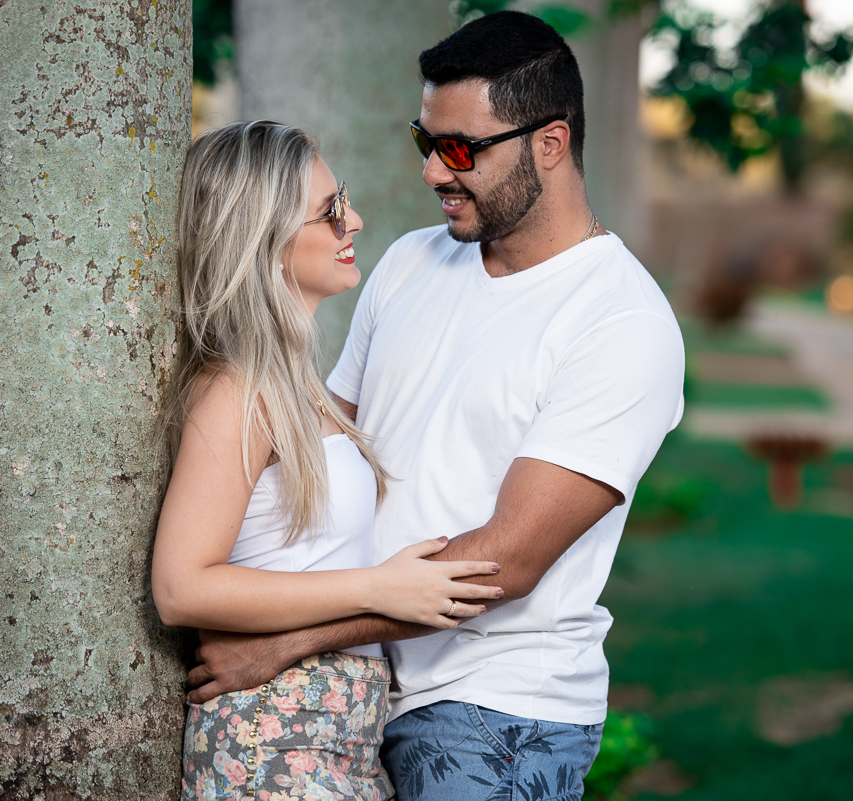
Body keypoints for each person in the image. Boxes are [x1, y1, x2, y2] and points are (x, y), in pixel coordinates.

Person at [186, 12, 686, 800]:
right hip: (357, 697)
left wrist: (290, 640)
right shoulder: (410, 262)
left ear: (550, 144)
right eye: (427, 141)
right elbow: (324, 451)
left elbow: (506, 561)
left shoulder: (621, 322)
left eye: (459, 150)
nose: (431, 173)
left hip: (494, 713)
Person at [151, 120, 503, 800]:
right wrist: (376, 589)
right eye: (329, 211)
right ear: (263, 238)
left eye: (344, 199)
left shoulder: (294, 381)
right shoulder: (238, 390)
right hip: (274, 737)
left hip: (336, 734)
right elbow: (181, 587)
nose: (354, 221)